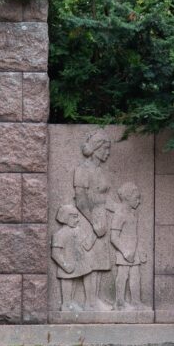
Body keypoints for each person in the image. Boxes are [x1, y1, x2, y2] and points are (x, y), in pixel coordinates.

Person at [73, 129, 113, 310]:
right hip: (87, 218)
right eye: (105, 148)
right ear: (96, 148)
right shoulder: (82, 170)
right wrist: (93, 222)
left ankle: (93, 300)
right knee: (90, 260)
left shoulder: (99, 170)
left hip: (100, 216)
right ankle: (90, 301)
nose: (108, 153)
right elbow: (80, 201)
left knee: (98, 261)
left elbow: (103, 197)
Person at [51, 204, 97, 311]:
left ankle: (89, 302)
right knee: (67, 280)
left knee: (88, 275)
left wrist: (95, 234)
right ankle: (66, 304)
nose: (77, 220)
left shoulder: (79, 230)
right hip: (68, 265)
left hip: (81, 263)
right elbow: (55, 253)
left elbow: (87, 245)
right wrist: (65, 266)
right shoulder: (60, 234)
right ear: (65, 218)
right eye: (74, 217)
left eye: (77, 216)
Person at [110, 182, 148, 310]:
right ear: (127, 198)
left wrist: (140, 250)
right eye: (136, 198)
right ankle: (119, 302)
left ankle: (136, 301)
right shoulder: (119, 214)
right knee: (122, 276)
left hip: (134, 251)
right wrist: (125, 252)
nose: (139, 201)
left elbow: (136, 235)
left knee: (136, 277)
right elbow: (113, 237)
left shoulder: (133, 214)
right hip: (124, 252)